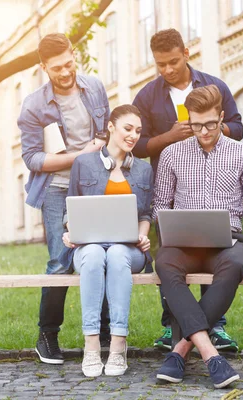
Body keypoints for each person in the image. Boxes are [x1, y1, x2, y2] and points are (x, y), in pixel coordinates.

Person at [153, 85, 243, 388]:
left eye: (210, 123)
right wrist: (169, 227)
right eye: (196, 125)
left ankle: (180, 350)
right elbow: (160, 205)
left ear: (221, 117)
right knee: (165, 263)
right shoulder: (171, 154)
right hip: (182, 243)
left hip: (228, 240)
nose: (204, 131)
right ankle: (211, 354)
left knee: (237, 262)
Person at [132, 28, 243, 352]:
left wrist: (206, 127)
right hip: (169, 188)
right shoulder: (147, 97)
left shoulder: (214, 87)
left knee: (218, 249)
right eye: (160, 64)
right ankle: (172, 326)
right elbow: (137, 145)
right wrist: (170, 137)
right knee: (169, 254)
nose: (167, 70)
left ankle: (215, 326)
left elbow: (236, 127)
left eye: (173, 62)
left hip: (214, 186)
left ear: (186, 54)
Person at [18, 33, 111, 365]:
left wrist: (100, 143)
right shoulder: (33, 105)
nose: (66, 72)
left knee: (97, 255)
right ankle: (47, 336)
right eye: (57, 68)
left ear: (74, 55)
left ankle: (103, 336)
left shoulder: (95, 87)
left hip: (93, 184)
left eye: (69, 63)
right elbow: (32, 159)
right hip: (55, 188)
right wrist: (78, 156)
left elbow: (104, 131)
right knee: (60, 261)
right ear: (44, 67)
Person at [60, 104, 154, 377]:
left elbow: (146, 214)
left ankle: (117, 344)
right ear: (111, 127)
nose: (133, 135)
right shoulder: (84, 163)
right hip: (88, 248)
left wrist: (143, 236)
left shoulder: (143, 170)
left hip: (128, 250)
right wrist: (70, 230)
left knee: (115, 254)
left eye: (138, 131)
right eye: (127, 128)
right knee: (93, 254)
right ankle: (91, 345)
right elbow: (70, 210)